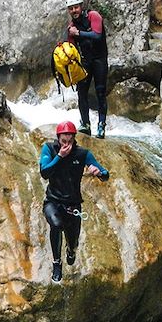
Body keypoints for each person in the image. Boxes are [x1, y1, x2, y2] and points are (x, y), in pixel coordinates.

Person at [39, 121, 110, 283]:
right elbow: (45, 172)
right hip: (53, 201)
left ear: (74, 139)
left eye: (70, 141)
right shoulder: (49, 149)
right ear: (58, 139)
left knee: (73, 241)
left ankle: (71, 251)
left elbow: (106, 174)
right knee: (56, 225)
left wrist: (98, 172)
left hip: (73, 205)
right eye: (64, 141)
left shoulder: (82, 154)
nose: (67, 145)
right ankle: (57, 263)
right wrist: (59, 157)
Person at [65, 0, 109, 139]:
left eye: (76, 7)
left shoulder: (93, 16)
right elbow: (71, 47)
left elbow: (97, 35)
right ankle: (85, 124)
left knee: (100, 92)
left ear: (81, 6)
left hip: (99, 59)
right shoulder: (72, 27)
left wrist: (79, 33)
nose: (74, 11)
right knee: (81, 92)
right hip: (85, 61)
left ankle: (101, 125)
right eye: (71, 9)